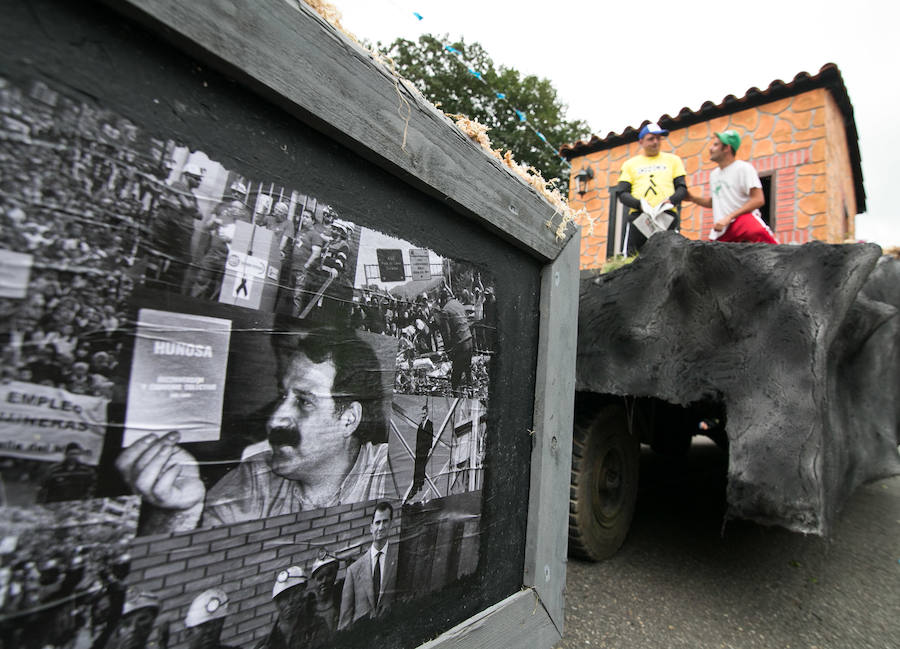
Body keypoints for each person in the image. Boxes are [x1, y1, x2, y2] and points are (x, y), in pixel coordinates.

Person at [115, 327, 396, 534]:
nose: (274, 420)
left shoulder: (390, 470)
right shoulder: (257, 477)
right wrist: (179, 513)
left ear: (349, 419)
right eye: (282, 395)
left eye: (304, 401)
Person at [685, 130, 777, 243]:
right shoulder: (714, 175)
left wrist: (729, 217)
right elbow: (715, 202)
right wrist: (692, 198)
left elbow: (758, 199)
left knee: (765, 241)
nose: (710, 148)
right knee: (709, 256)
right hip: (722, 230)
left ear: (727, 148)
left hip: (742, 222)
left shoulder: (743, 168)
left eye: (716, 145)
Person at [616, 122, 687, 254]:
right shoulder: (630, 164)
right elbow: (622, 193)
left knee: (669, 256)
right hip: (639, 217)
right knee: (634, 257)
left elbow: (682, 188)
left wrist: (671, 200)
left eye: (658, 138)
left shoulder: (674, 160)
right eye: (651, 138)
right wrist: (639, 204)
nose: (655, 142)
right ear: (641, 141)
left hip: (666, 215)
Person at [338, 502, 398, 629]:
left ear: (391, 524)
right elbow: (345, 621)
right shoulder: (353, 571)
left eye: (385, 522)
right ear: (371, 527)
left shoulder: (399, 559)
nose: (381, 527)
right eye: (377, 522)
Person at [437, 287, 474, 395]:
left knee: (455, 380)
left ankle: (456, 405)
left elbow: (446, 335)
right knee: (468, 371)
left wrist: (449, 352)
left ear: (443, 300)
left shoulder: (445, 311)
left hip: (460, 345)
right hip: (469, 340)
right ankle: (472, 396)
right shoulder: (458, 304)